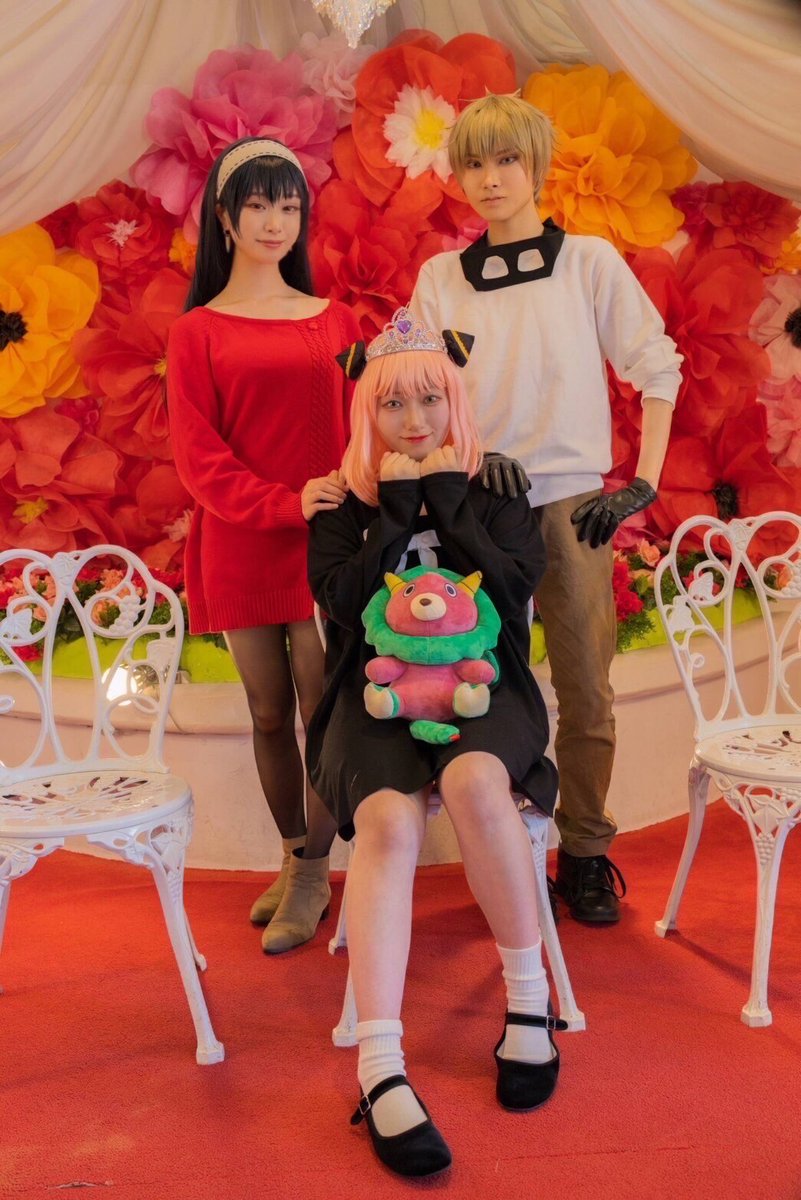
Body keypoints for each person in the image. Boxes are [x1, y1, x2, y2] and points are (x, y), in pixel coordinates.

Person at [410, 95, 683, 923]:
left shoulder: (588, 263)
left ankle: (586, 852)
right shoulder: (439, 278)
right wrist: (465, 454)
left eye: (506, 161)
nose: (490, 179)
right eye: (473, 163)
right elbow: (418, 392)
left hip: (570, 503)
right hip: (475, 507)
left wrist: (640, 481)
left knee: (584, 686)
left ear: (535, 166)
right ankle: (501, 850)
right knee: (480, 683)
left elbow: (656, 365)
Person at [306, 307, 561, 1178]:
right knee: (386, 822)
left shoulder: (497, 488)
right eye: (391, 404)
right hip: (371, 693)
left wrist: (448, 501)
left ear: (455, 400)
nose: (412, 420)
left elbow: (515, 591)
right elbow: (345, 605)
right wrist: (392, 509)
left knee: (475, 784)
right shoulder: (338, 503)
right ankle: (379, 1065)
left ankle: (528, 1004)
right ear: (365, 411)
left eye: (428, 399)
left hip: (486, 683)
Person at [166, 137, 361, 954]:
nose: (275, 222)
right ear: (224, 217)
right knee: (268, 711)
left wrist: (335, 500)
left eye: (288, 206)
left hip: (322, 545)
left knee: (323, 711)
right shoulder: (196, 331)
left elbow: (363, 429)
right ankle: (293, 854)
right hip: (240, 539)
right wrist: (282, 501)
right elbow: (198, 457)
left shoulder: (336, 320)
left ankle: (314, 871)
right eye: (257, 205)